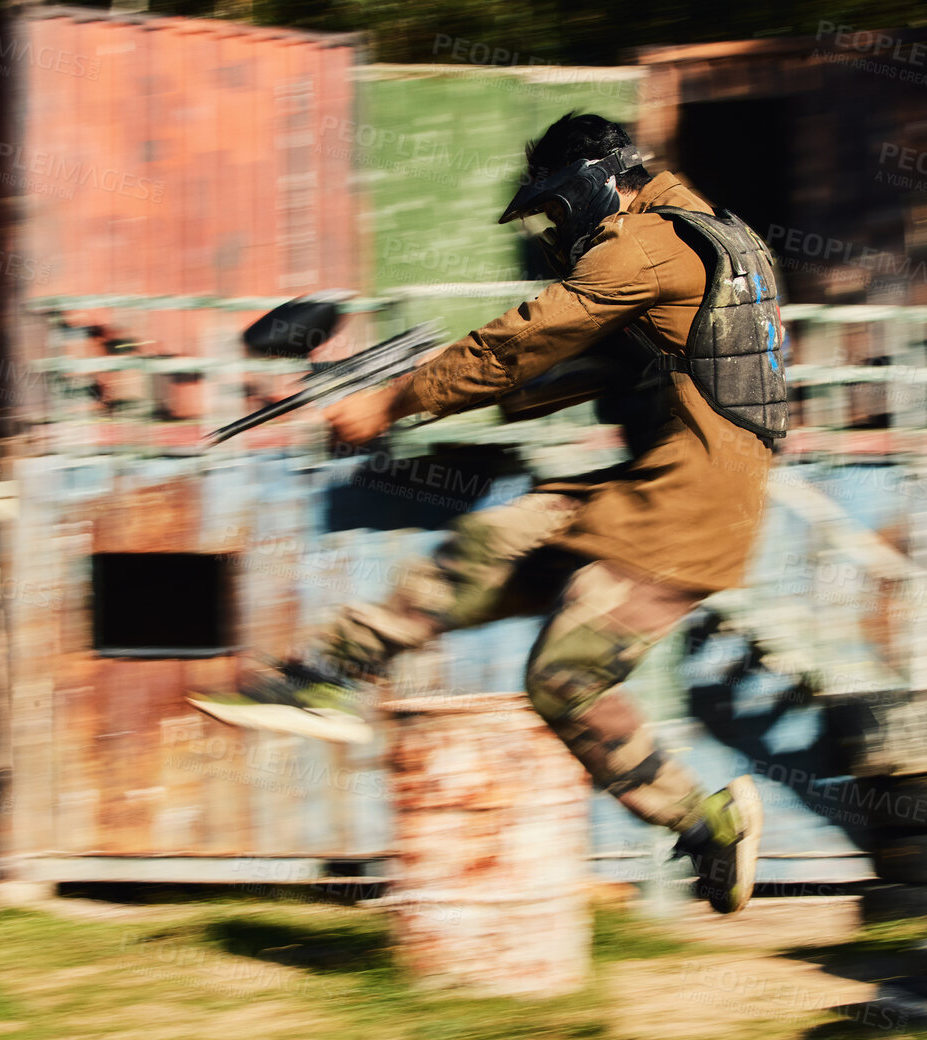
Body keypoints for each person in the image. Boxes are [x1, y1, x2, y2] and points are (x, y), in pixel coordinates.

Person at [190, 111, 786, 914]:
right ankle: (322, 678)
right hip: (656, 486)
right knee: (483, 545)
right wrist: (405, 375)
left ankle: (705, 822)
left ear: (593, 187)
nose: (550, 228)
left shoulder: (644, 246)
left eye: (552, 209)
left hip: (685, 510)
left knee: (562, 681)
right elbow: (577, 368)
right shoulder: (703, 233)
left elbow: (524, 343)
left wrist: (394, 402)